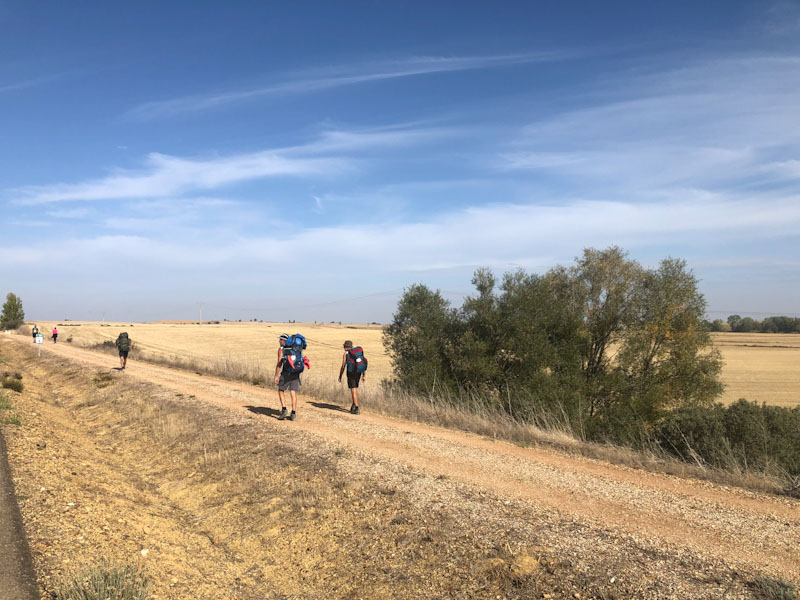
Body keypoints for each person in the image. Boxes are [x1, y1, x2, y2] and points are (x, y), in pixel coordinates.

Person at [274, 333, 299, 421]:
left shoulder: (281, 349)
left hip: (286, 373)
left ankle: (284, 409)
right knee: (293, 392)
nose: (279, 341)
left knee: (281, 390)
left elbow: (279, 363)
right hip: (295, 373)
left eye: (280, 339)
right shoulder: (295, 348)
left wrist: (276, 375)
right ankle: (293, 413)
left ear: (283, 341)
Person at [338, 340, 365, 414]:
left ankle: (356, 408)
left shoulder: (346, 354)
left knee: (353, 390)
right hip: (358, 372)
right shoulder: (357, 353)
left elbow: (343, 366)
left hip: (351, 373)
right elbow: (362, 363)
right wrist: (363, 375)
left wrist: (340, 376)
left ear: (345, 347)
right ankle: (353, 405)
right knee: (355, 388)